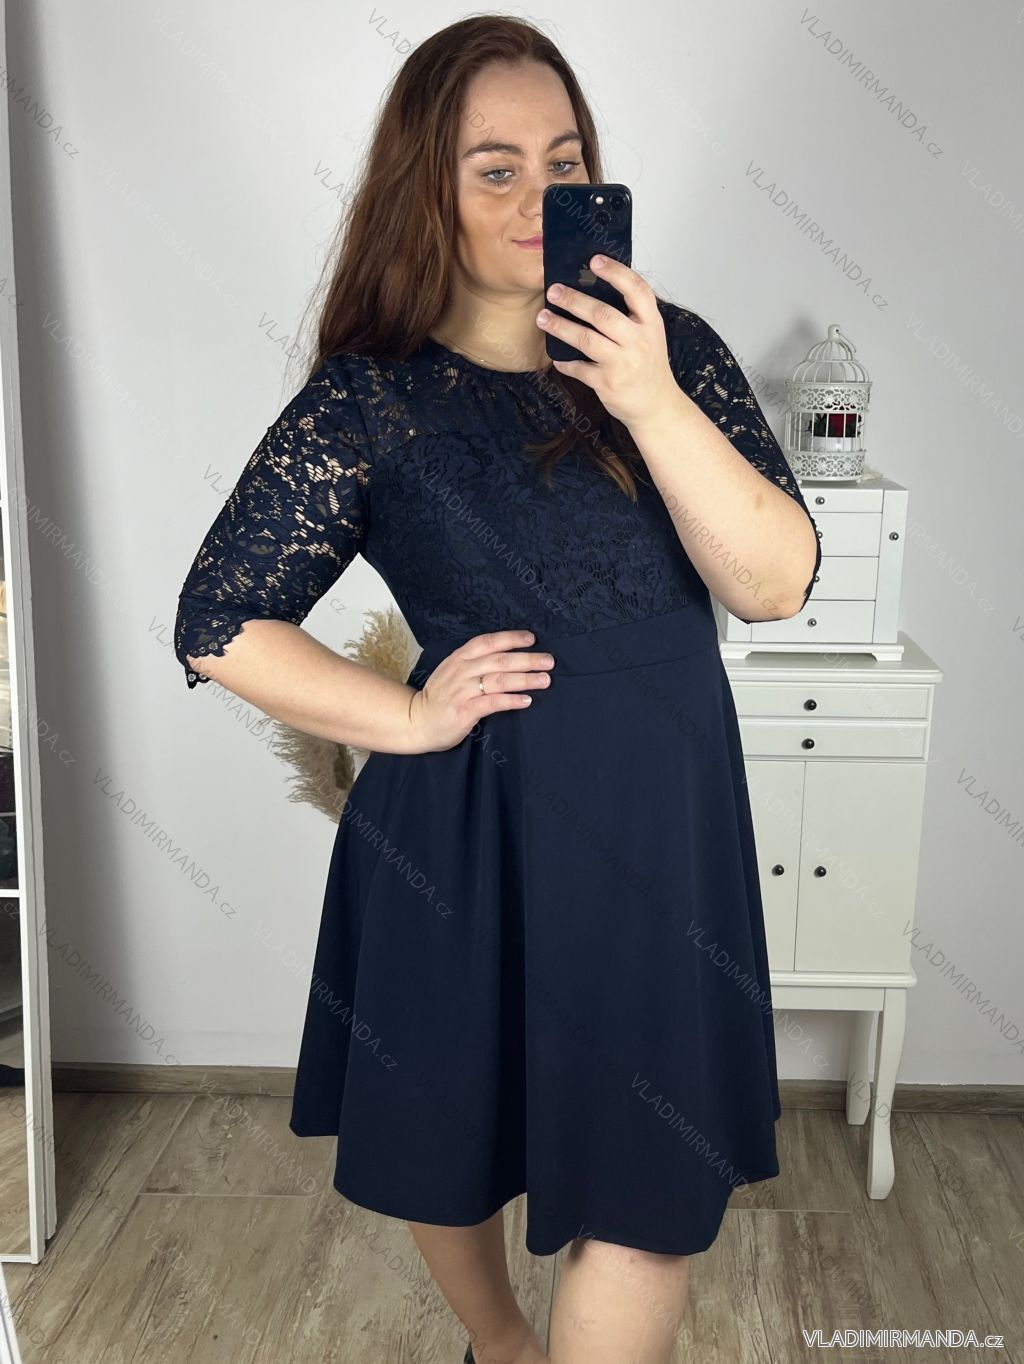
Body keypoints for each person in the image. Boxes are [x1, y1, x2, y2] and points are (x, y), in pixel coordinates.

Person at [173, 16, 820, 1364]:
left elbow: (772, 584)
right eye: (495, 168)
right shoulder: (370, 400)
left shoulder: (672, 352)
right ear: (429, 187)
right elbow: (217, 622)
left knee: (650, 1202)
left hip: (660, 834)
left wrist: (647, 397)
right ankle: (504, 1345)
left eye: (562, 161)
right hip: (464, 832)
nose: (538, 196)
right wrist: (411, 717)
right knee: (450, 1141)